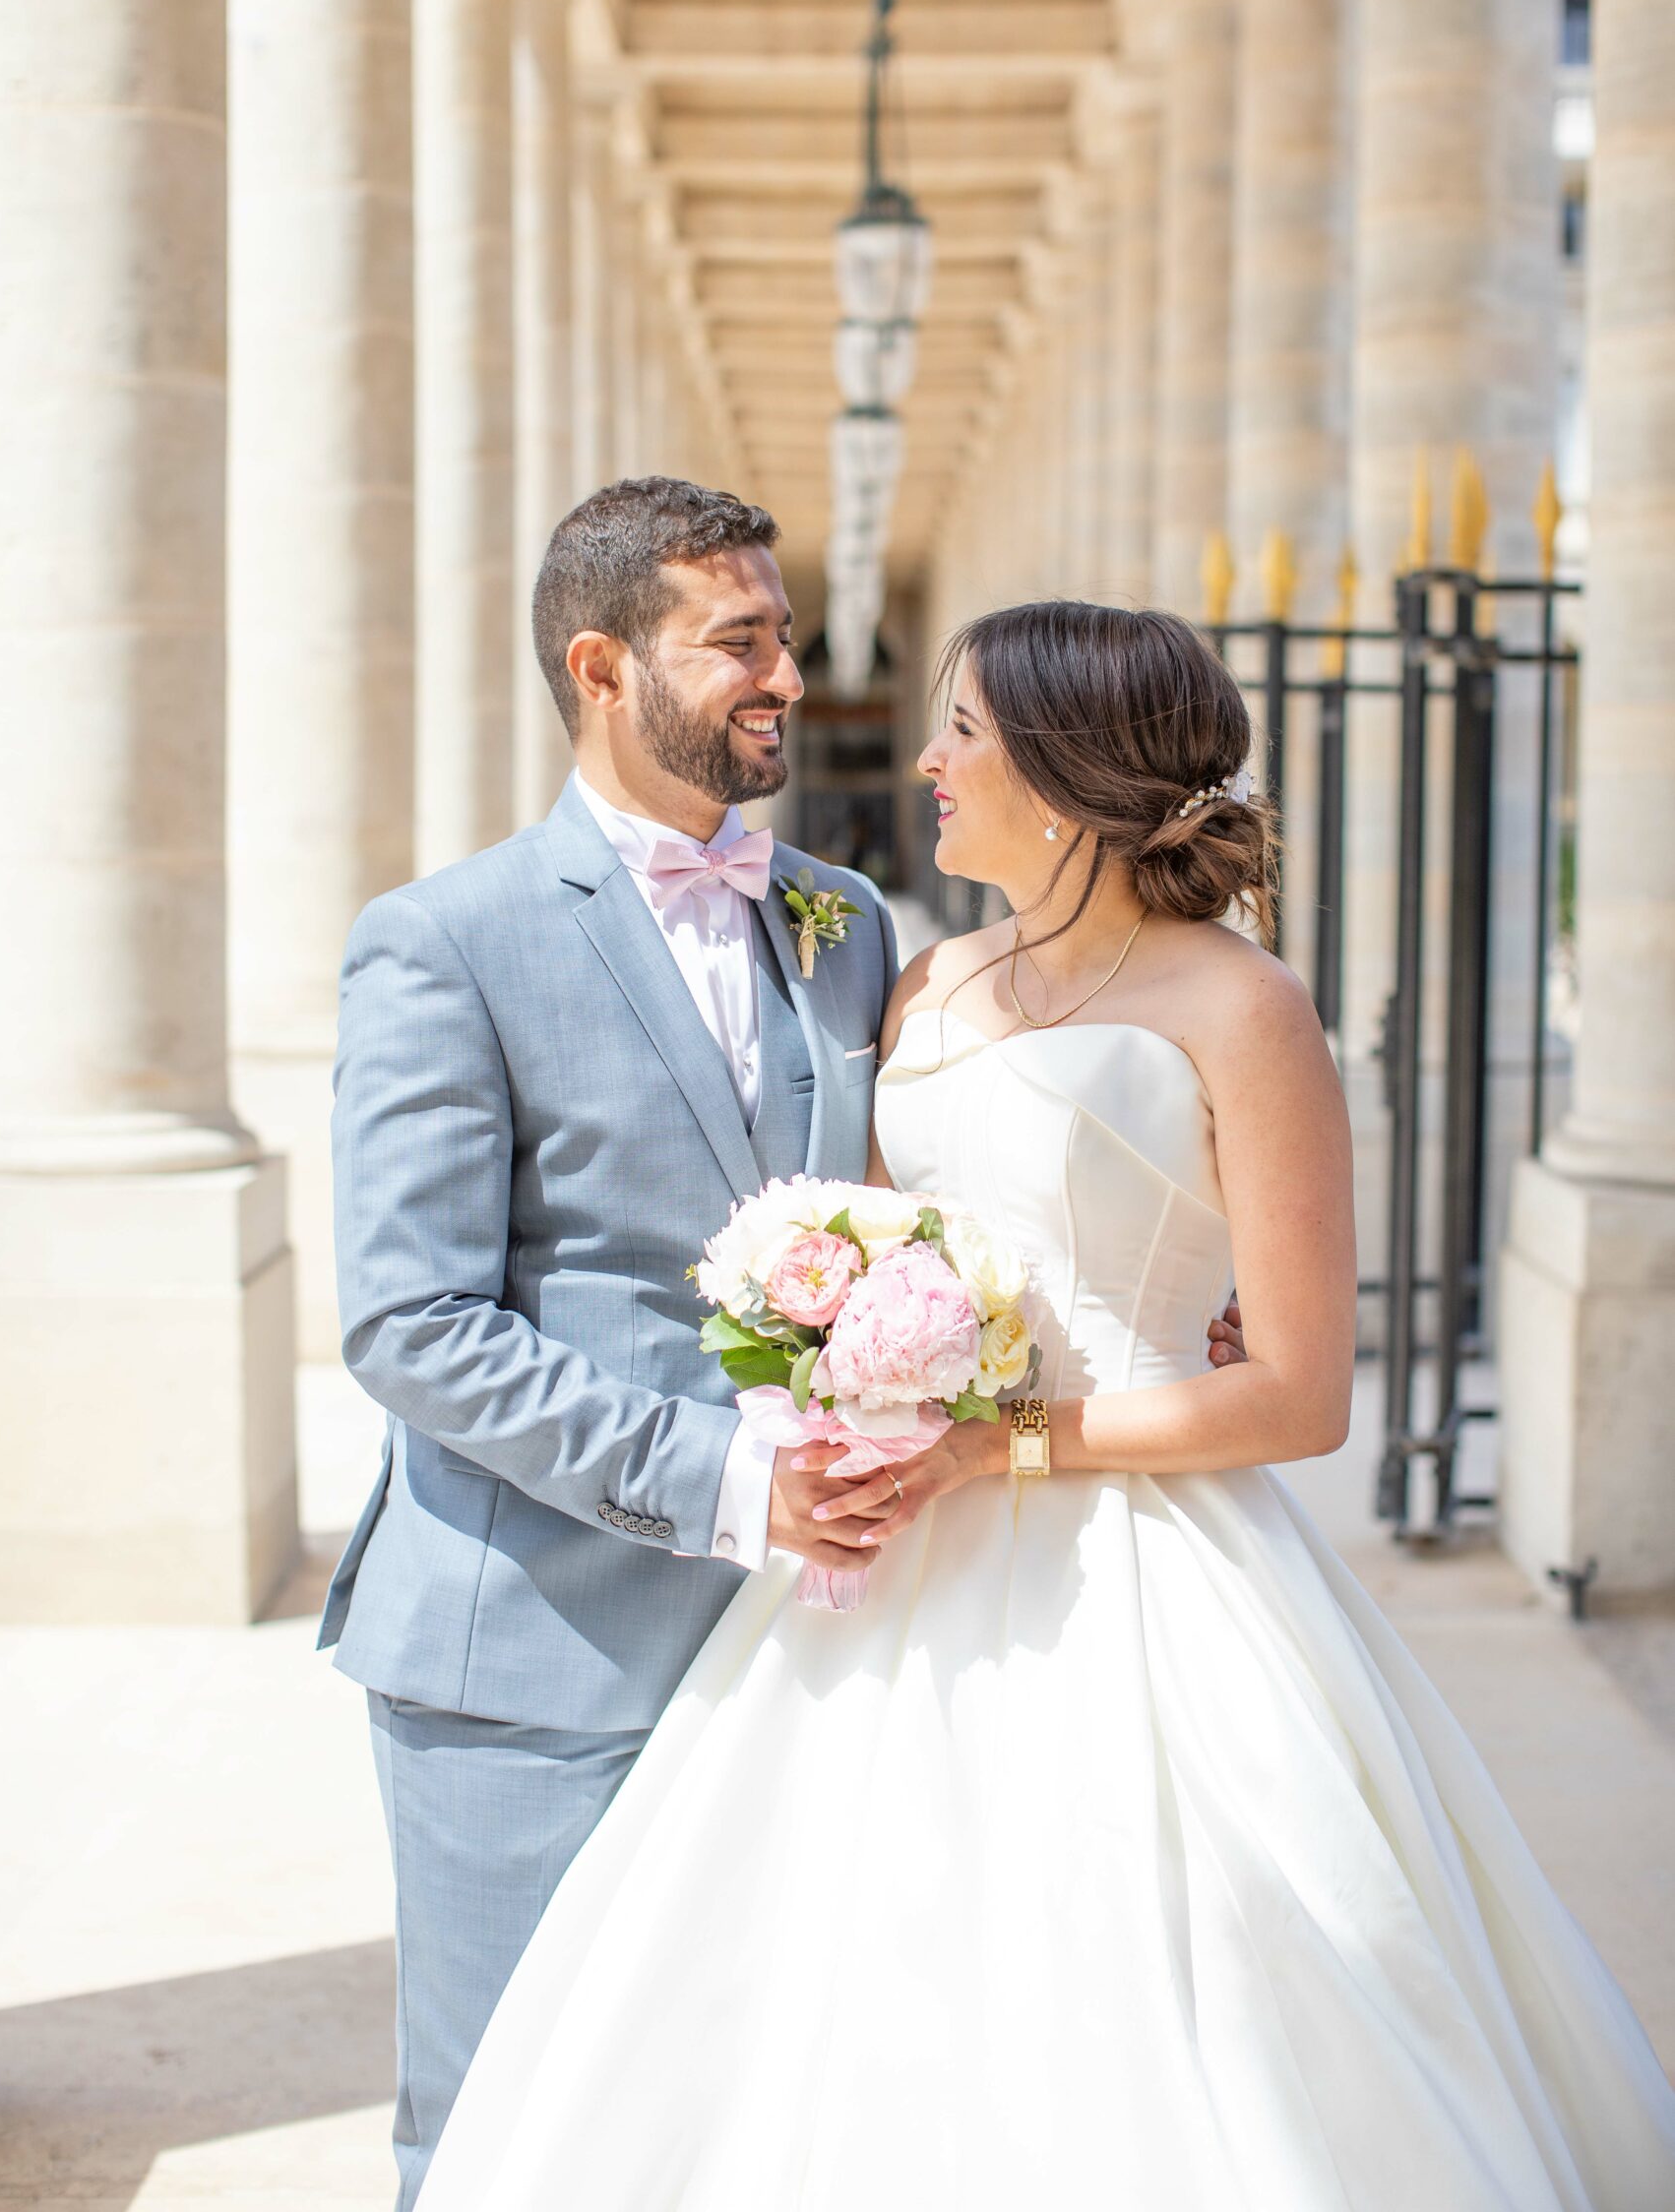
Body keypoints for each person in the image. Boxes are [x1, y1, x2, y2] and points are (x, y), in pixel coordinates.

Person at [416, 598, 1675, 2212]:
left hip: (1150, 1565)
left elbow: (1297, 1395)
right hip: (895, 1563)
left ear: (1070, 774)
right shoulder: (926, 979)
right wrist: (832, 1365)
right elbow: (870, 1252)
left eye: (965, 734)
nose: (926, 762)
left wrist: (1000, 1447)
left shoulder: (1243, 1009)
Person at [322, 478, 910, 2205]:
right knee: (513, 2130)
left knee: (752, 2128)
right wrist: (735, 1475)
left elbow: (914, 1201)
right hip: (535, 1665)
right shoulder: (445, 943)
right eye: (739, 642)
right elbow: (412, 1320)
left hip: (810, 1660)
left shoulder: (847, 923)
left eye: (785, 638)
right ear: (600, 666)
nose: (787, 676)